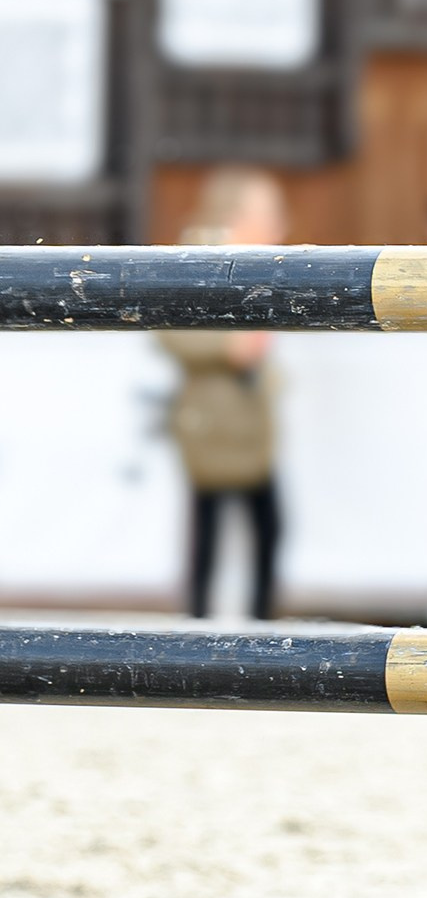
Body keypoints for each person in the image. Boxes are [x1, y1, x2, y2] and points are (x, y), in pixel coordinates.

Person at [157, 165, 287, 619]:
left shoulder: (258, 264)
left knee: (266, 530)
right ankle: (202, 629)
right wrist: (228, 348)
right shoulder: (197, 258)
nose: (277, 224)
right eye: (266, 212)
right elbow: (169, 330)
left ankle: (257, 625)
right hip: (211, 419)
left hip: (249, 421)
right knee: (210, 536)